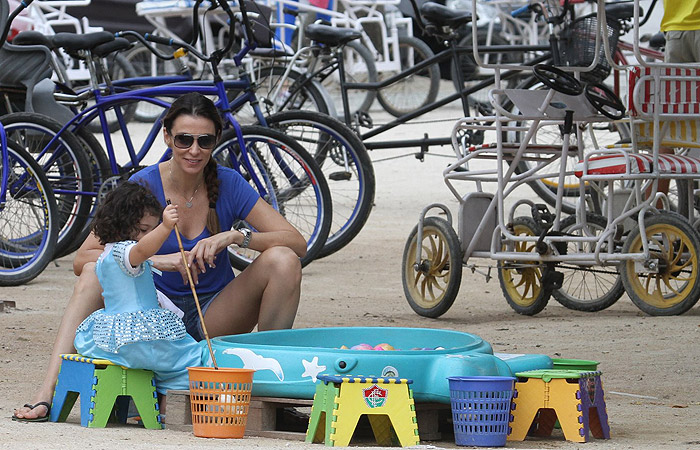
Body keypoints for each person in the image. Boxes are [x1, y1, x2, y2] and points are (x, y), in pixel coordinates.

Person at [12, 92, 306, 422]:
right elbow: (84, 258)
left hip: (215, 314)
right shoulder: (144, 184)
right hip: (155, 319)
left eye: (204, 141)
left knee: (283, 260)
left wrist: (237, 236)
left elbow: (297, 243)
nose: (194, 151)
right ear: (166, 136)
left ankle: (269, 392)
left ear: (215, 141)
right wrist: (155, 261)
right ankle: (45, 392)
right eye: (184, 139)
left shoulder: (228, 182)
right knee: (94, 273)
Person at [73, 182, 206, 401]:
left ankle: (159, 407)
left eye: (151, 230)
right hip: (139, 338)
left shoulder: (104, 256)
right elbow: (143, 249)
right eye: (144, 230)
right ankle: (172, 407)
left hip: (114, 339)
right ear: (120, 226)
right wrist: (165, 227)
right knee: (190, 359)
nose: (148, 236)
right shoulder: (125, 252)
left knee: (171, 365)